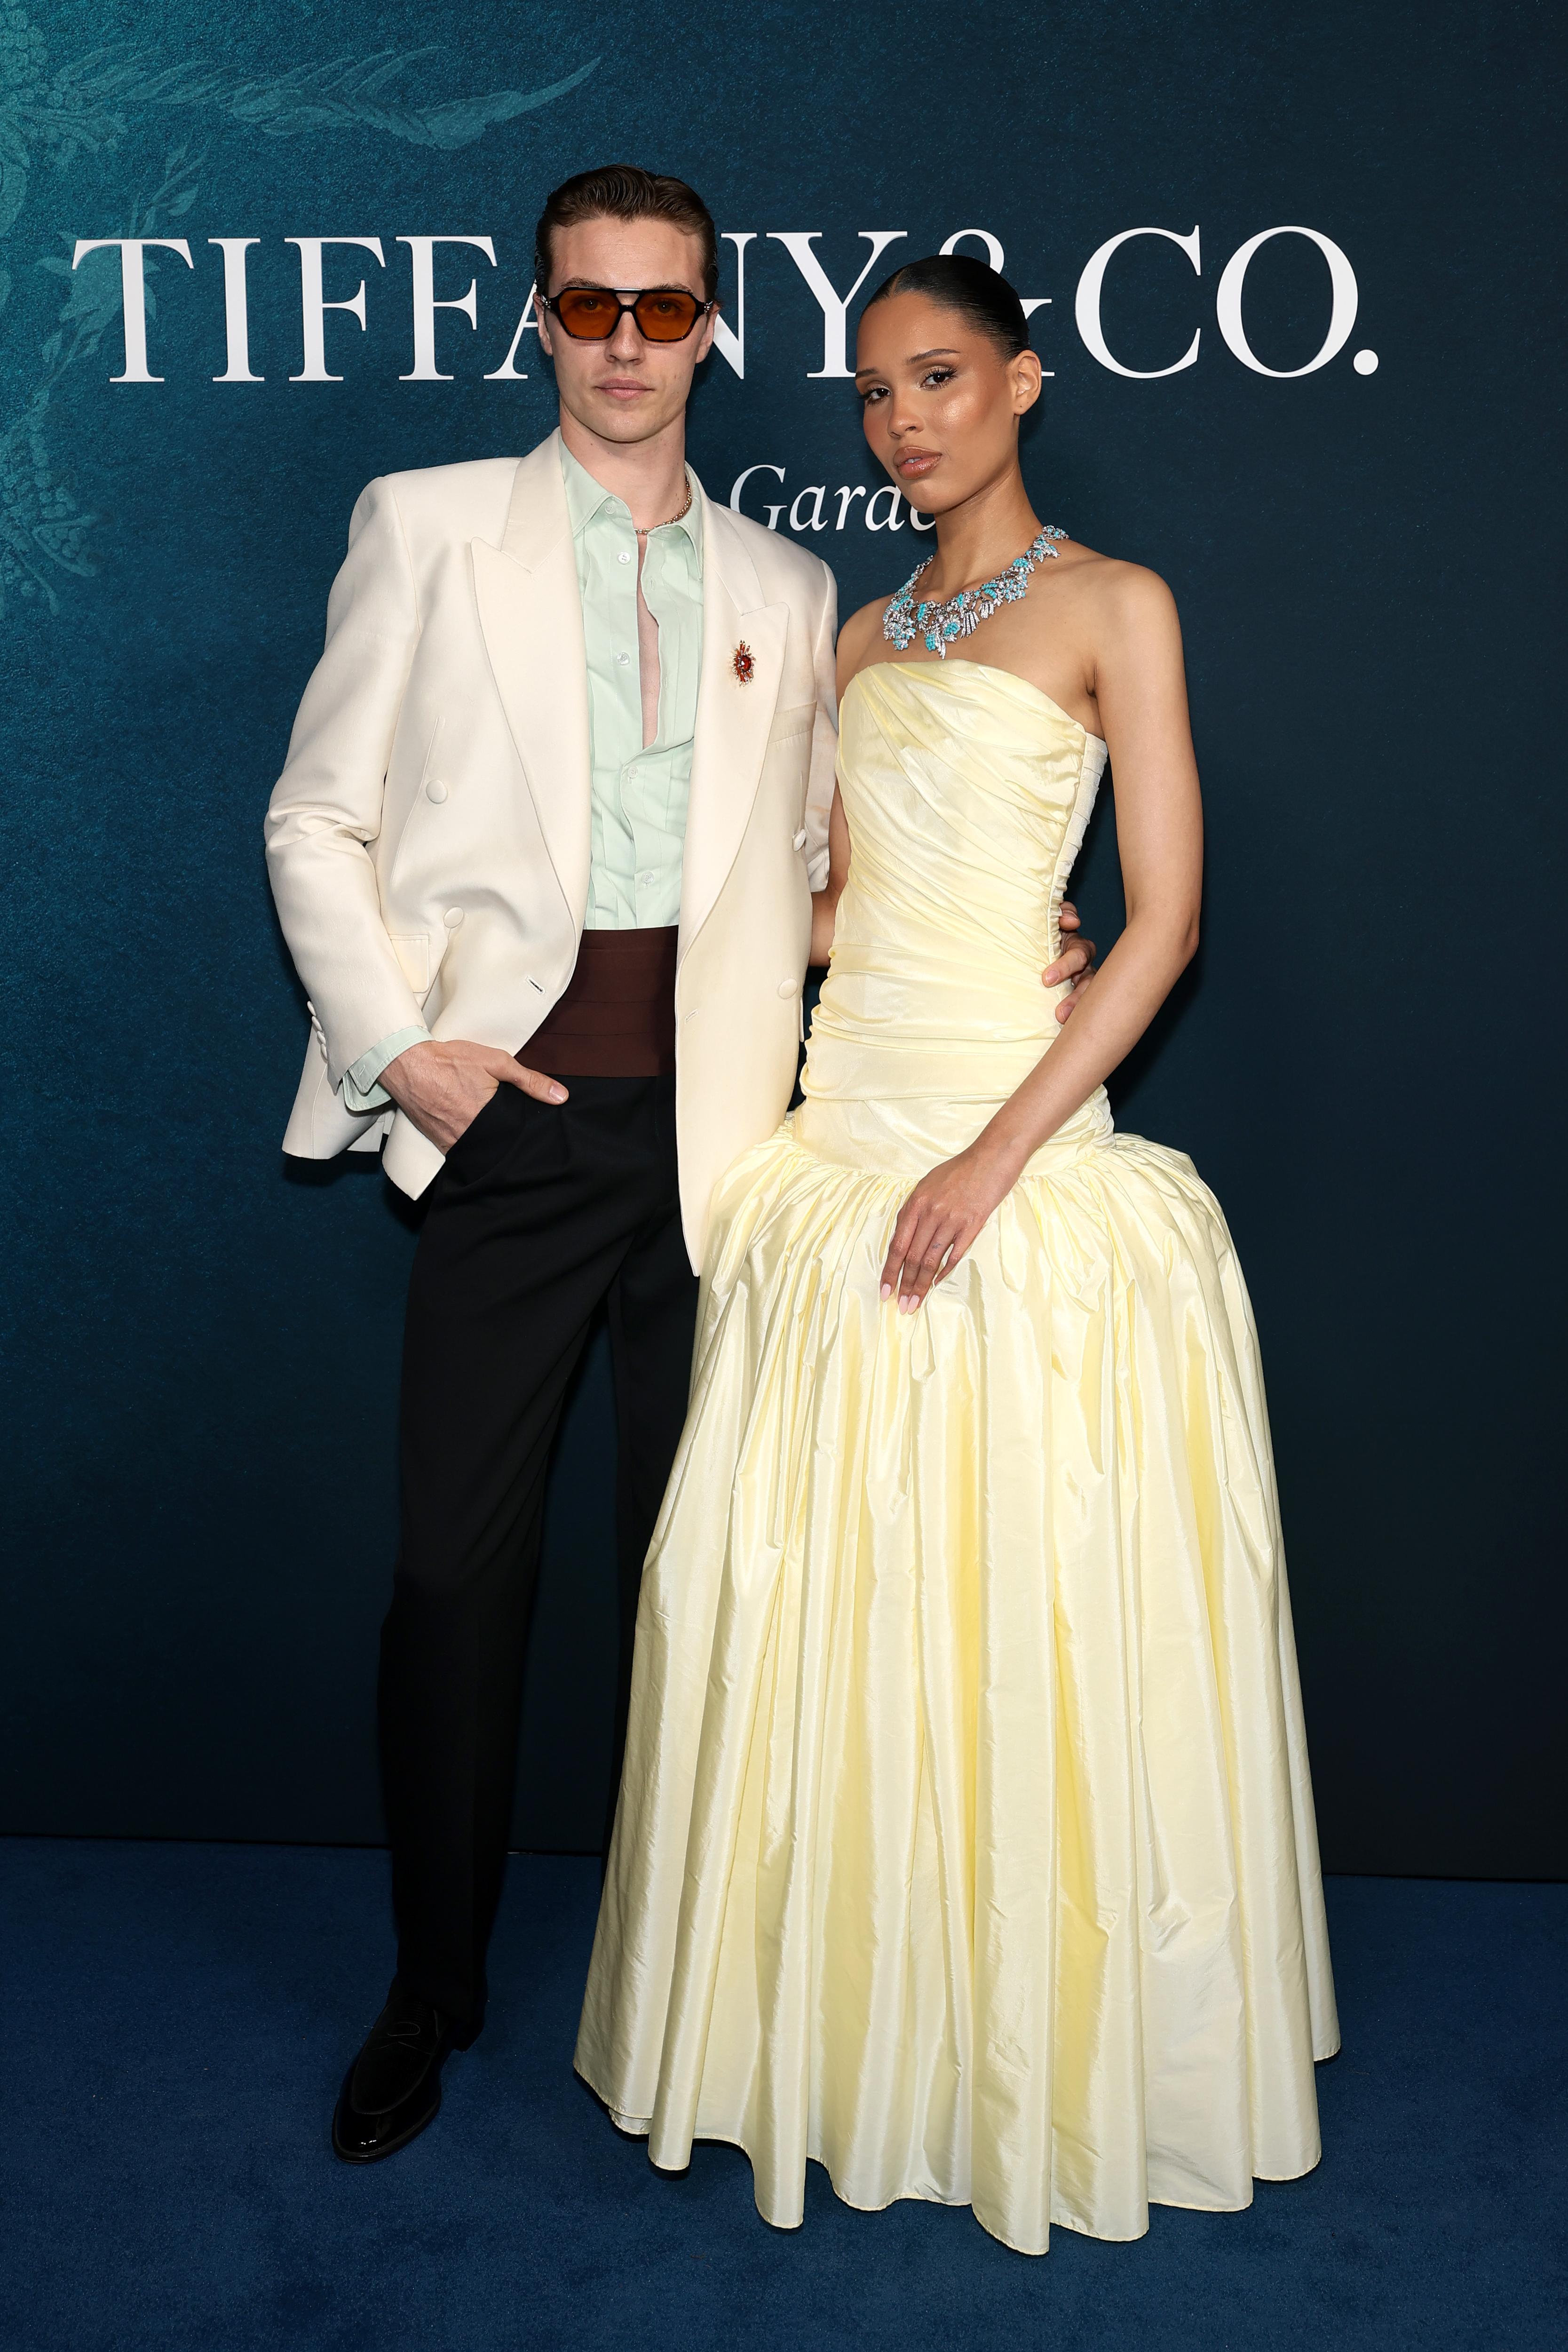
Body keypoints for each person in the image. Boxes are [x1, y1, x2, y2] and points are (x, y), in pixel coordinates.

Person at [266, 176, 1099, 2167]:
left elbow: (824, 872)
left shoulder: (791, 590)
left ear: (711, 326)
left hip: (737, 1153)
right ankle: (435, 1983)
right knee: (452, 1576)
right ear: (540, 321)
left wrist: (1018, 932)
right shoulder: (424, 525)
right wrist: (401, 1054)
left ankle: (707, 1981)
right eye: (591, 307)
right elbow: (314, 819)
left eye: (663, 310)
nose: (627, 344)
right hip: (510, 1124)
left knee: (713, 1572)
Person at [575, 253, 1340, 2256]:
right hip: (838, 1132)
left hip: (1004, 1135)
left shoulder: (1116, 605)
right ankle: (841, 2029)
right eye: (870, 392)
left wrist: (1000, 1150)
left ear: (1022, 381)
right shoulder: (859, 627)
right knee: (818, 1601)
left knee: (1024, 1595)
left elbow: (1163, 919)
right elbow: (837, 910)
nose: (900, 419)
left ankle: (1040, 2038)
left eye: (935, 378)